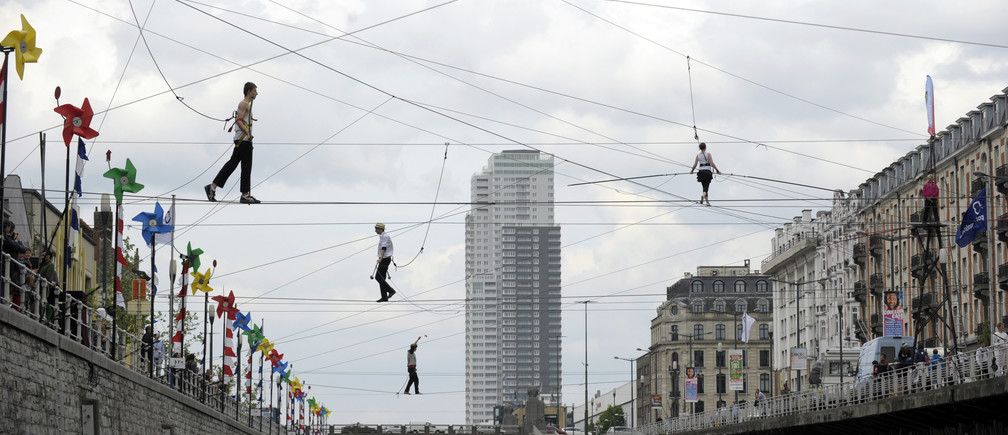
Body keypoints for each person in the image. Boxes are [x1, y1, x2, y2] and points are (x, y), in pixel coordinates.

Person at [206, 82, 261, 204]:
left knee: (232, 164)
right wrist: (247, 133)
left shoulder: (247, 105)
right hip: (243, 141)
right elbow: (239, 120)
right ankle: (245, 195)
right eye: (255, 91)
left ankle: (212, 187)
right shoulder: (243, 104)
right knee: (246, 167)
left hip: (242, 140)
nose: (256, 93)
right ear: (249, 92)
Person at [374, 222, 396, 302]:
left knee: (378, 277)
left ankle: (391, 291)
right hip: (384, 258)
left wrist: (381, 258)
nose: (375, 230)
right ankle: (384, 297)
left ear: (380, 229)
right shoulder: (382, 236)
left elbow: (384, 248)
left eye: (376, 229)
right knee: (382, 278)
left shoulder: (385, 236)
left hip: (385, 259)